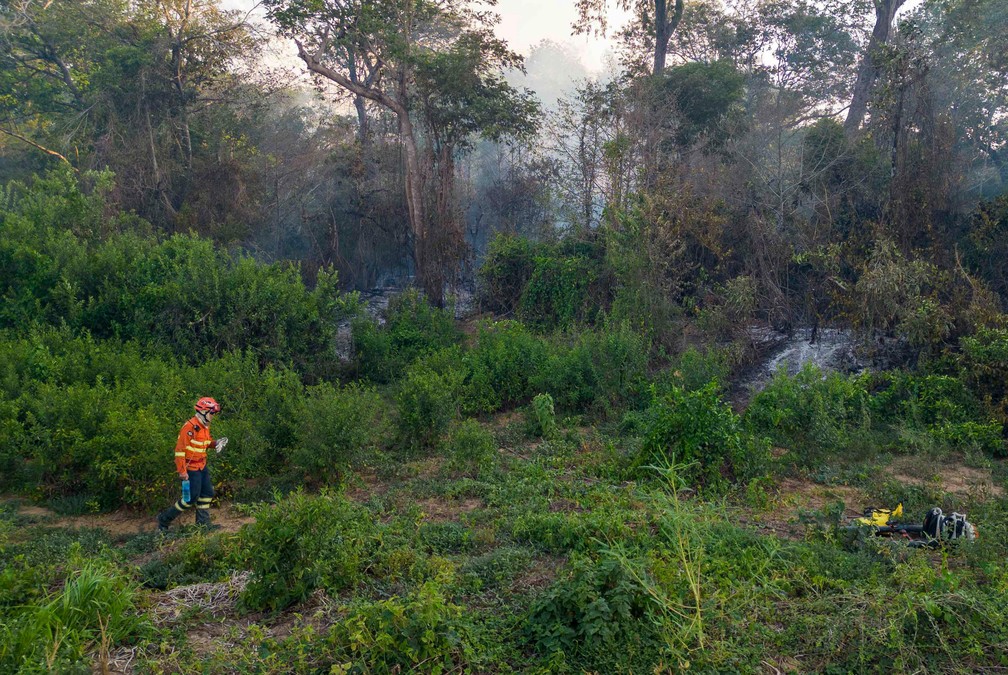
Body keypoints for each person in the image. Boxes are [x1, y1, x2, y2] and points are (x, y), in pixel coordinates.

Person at [156, 397, 227, 532]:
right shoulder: (189, 426)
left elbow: (204, 443)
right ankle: (164, 519)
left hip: (202, 466)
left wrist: (216, 443)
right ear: (203, 411)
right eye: (212, 413)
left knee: (207, 493)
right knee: (190, 498)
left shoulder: (204, 426)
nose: (213, 416)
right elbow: (179, 451)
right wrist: (182, 471)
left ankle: (203, 525)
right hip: (191, 468)